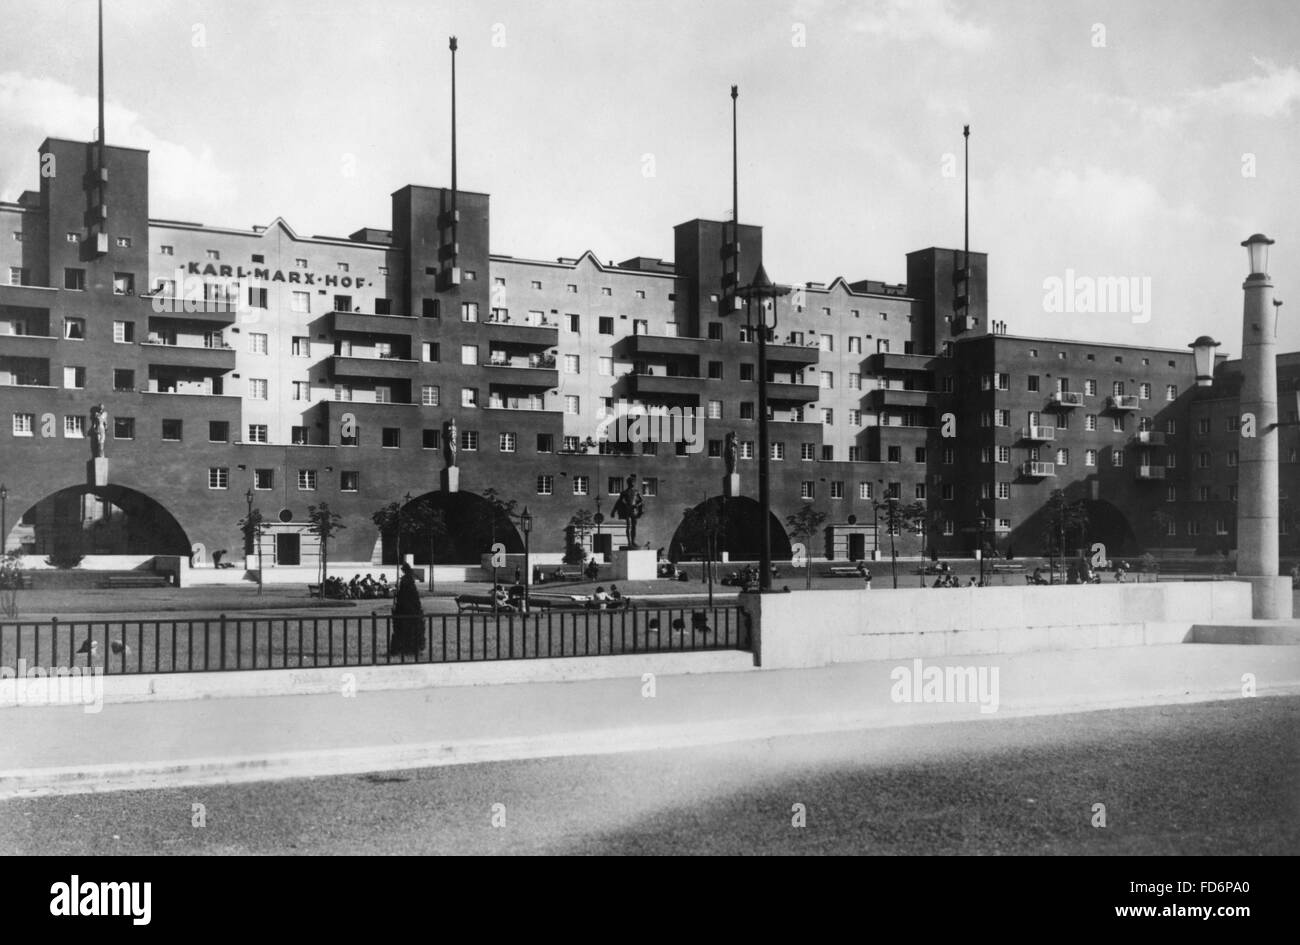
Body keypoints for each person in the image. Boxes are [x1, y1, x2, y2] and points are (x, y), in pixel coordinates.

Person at [390, 564, 425, 656]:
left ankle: (404, 648)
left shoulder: (405, 579)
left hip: (405, 607)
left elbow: (403, 593)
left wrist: (397, 593)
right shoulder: (409, 579)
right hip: (412, 607)